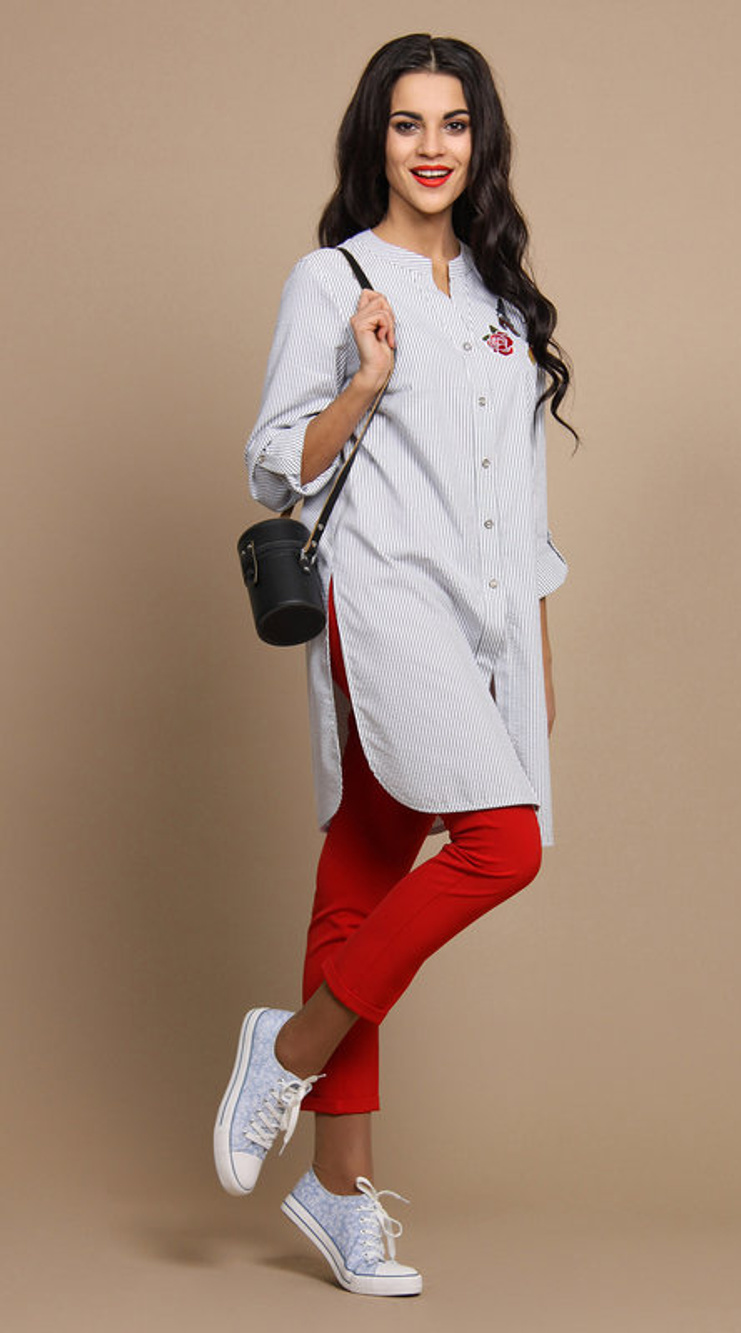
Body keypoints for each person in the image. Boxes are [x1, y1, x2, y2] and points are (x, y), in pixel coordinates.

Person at [214, 33, 576, 1298]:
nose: (432, 147)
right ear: (375, 136)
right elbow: (279, 463)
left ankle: (337, 1187)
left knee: (363, 874)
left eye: (453, 123)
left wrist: (533, 665)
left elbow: (522, 514)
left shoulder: (499, 303)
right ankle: (290, 1047)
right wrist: (365, 379)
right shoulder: (334, 278)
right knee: (502, 846)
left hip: (482, 625)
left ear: (480, 141)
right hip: (381, 604)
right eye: (408, 121)